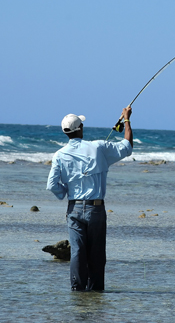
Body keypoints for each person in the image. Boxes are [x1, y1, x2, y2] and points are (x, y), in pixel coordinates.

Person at [46, 107, 133, 291]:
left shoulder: (59, 155)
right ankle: (95, 292)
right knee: (97, 255)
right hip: (96, 209)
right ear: (81, 128)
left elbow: (52, 185)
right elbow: (127, 147)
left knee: (77, 252)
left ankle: (77, 292)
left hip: (74, 209)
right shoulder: (98, 147)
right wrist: (126, 120)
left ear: (65, 132)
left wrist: (65, 192)